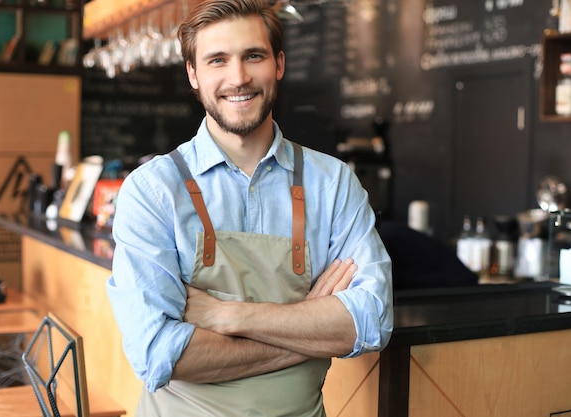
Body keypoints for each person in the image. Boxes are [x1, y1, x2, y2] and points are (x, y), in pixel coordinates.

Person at [106, 0, 393, 415]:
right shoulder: (153, 192)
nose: (238, 78)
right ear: (193, 74)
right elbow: (157, 353)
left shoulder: (332, 183)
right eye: (217, 60)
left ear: (278, 63)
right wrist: (308, 327)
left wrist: (228, 316)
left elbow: (371, 321)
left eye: (252, 56)